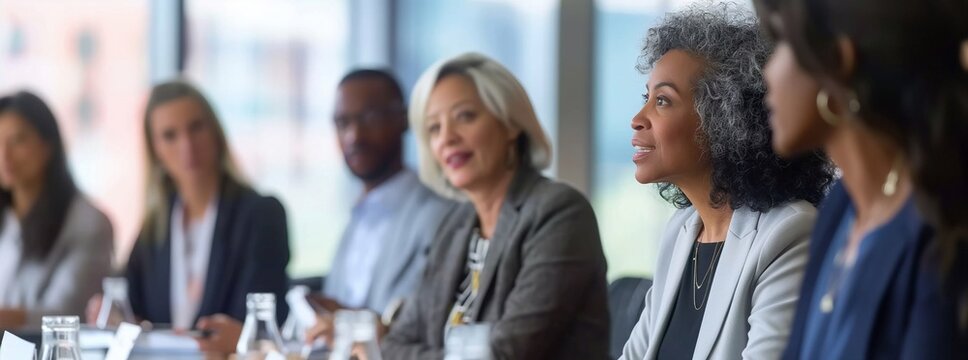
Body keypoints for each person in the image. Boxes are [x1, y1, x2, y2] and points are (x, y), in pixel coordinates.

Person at [753, 0, 968, 357]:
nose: (767, 72)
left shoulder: (941, 230)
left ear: (838, 61)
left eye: (781, 45)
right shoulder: (841, 205)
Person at [618, 4, 834, 359]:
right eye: (647, 98)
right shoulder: (680, 231)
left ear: (724, 120)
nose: (637, 118)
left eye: (663, 101)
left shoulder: (788, 233)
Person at [381, 52, 609, 359]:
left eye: (465, 116)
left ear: (510, 123)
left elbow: (505, 354)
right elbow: (395, 342)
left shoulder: (560, 213)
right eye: (434, 128)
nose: (447, 137)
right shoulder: (454, 225)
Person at [86, 80, 290, 352]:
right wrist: (108, 310)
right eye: (170, 135)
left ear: (216, 132)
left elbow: (261, 327)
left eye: (196, 128)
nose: (187, 145)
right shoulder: (156, 227)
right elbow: (125, 302)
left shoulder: (260, 216)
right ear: (156, 150)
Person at [305, 69, 453, 343]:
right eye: (342, 123)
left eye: (370, 118)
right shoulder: (356, 218)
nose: (354, 136)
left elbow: (425, 325)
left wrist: (350, 323)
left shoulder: (440, 216)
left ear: (404, 119)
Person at [0, 91, 113, 329]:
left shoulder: (88, 224)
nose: (4, 155)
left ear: (47, 145)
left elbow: (67, 313)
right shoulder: (7, 220)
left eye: (18, 140)